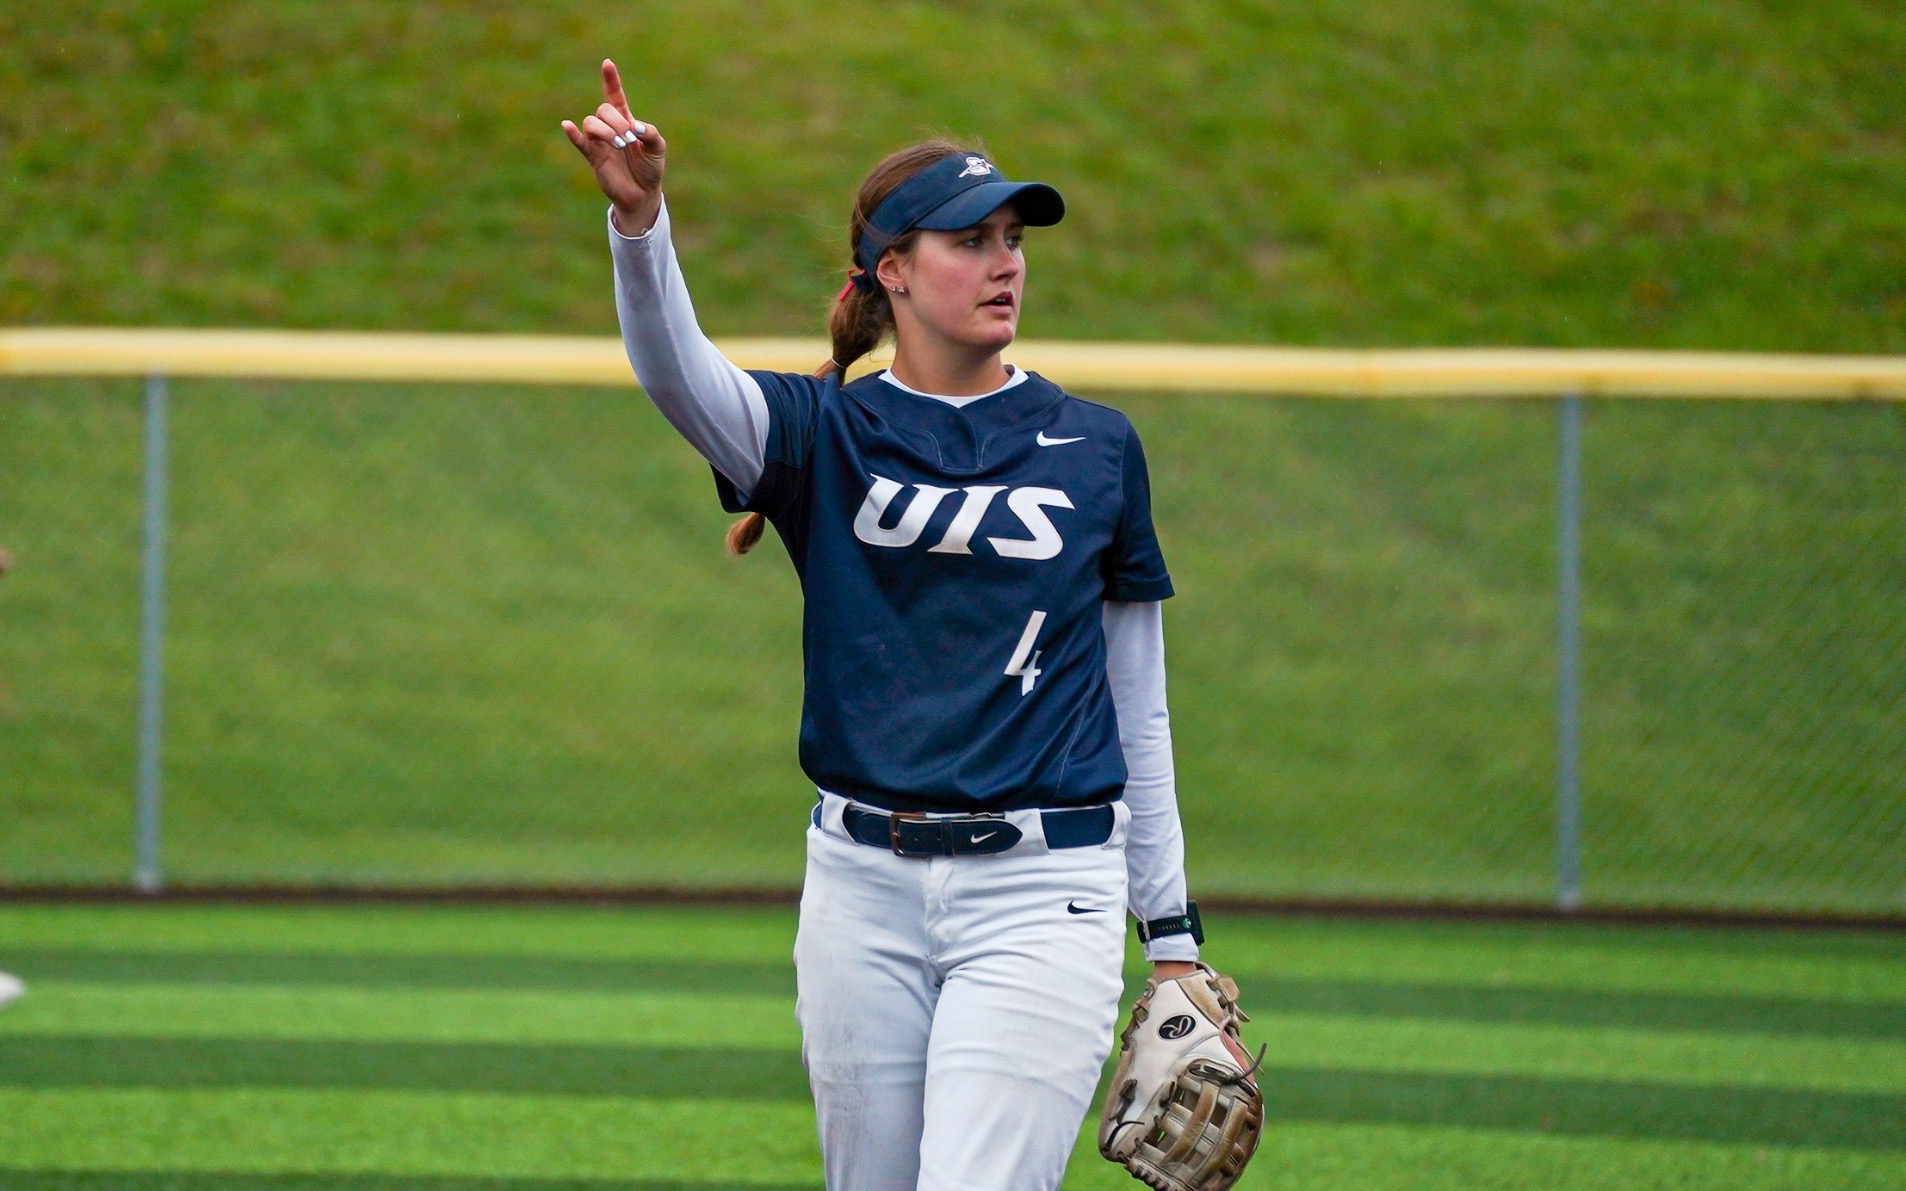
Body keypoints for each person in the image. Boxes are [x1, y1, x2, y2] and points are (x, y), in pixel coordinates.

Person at [564, 60, 1207, 1191]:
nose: (1004, 260)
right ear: (893, 272)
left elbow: (1134, 703)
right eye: (970, 239)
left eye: (1013, 236)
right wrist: (640, 223)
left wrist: (1173, 940)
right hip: (858, 889)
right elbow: (675, 376)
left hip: (1040, 893)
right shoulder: (823, 433)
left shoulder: (1096, 448)